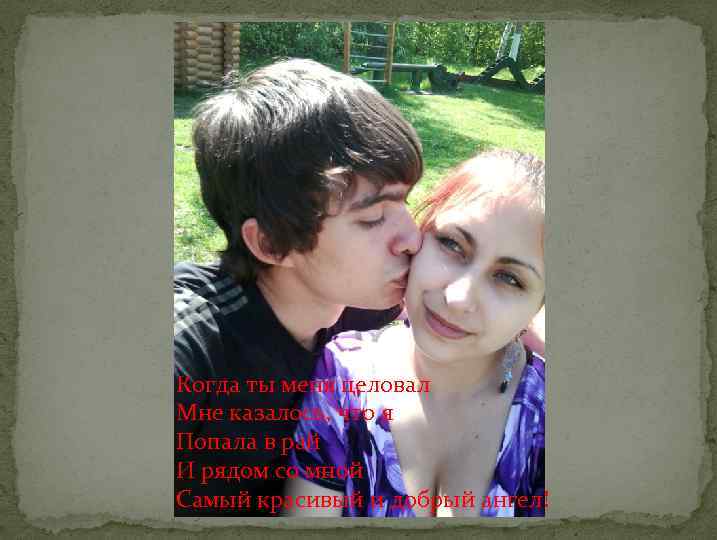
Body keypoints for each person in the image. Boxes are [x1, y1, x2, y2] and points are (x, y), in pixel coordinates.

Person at [174, 58, 425, 516]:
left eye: (404, 202)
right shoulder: (192, 347)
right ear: (272, 243)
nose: (412, 238)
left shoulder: (357, 300)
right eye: (373, 217)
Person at [285, 149, 546, 517]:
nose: (458, 298)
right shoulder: (343, 375)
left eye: (509, 278)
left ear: (538, 306)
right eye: (452, 244)